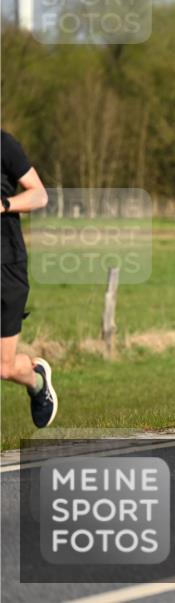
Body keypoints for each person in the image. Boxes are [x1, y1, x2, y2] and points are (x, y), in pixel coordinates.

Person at [1, 130, 57, 428]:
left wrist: (4, 205)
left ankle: (37, 381)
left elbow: (39, 194)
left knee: (4, 367)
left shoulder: (4, 145)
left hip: (6, 265)